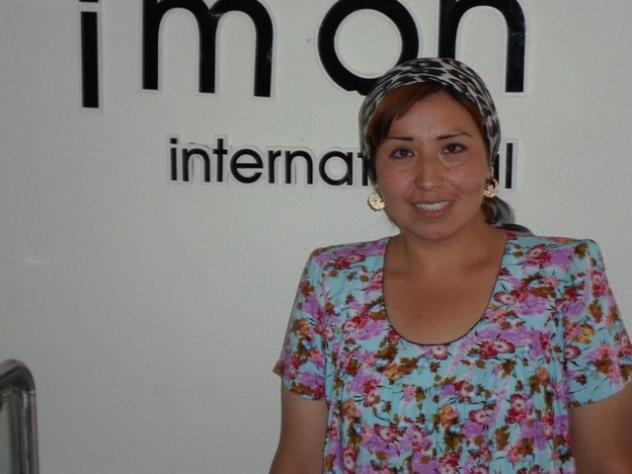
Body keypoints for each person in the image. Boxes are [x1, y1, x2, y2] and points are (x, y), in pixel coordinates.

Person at [270, 58, 632, 473]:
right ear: (376, 171)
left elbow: (608, 461)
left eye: (452, 148)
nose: (428, 178)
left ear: (489, 160)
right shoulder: (331, 280)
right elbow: (298, 460)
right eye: (402, 152)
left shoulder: (565, 274)